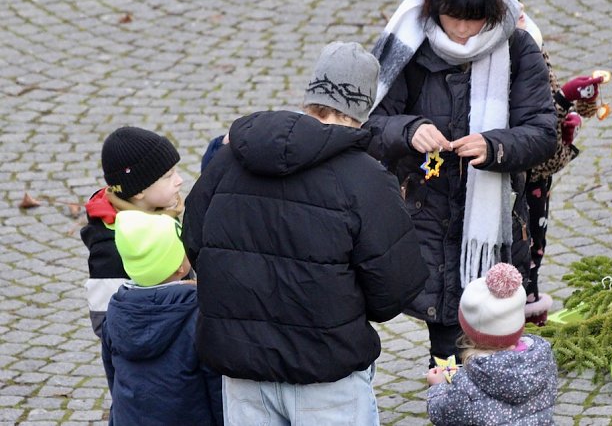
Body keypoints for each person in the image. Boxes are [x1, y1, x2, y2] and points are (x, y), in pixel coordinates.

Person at [182, 41, 428, 426]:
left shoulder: (230, 158)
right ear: (365, 107)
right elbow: (394, 287)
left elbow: (195, 243)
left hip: (243, 368)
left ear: (311, 96)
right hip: (327, 373)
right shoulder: (365, 177)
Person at [366, 0, 557, 365]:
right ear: (435, 8)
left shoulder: (518, 47)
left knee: (494, 341)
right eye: (453, 18)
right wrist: (409, 130)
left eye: (474, 20)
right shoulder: (409, 48)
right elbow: (368, 124)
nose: (463, 31)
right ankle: (449, 389)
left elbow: (543, 132)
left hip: (495, 226)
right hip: (427, 218)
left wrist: (494, 146)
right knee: (447, 344)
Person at [500, 0, 605, 326]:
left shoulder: (530, 43)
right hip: (517, 180)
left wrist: (566, 108)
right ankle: (511, 329)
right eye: (511, 3)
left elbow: (543, 116)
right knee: (518, 254)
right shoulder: (505, 58)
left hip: (535, 181)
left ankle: (527, 325)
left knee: (533, 249)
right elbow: (528, 132)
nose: (522, 9)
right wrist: (562, 101)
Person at [101, 210, 222, 426]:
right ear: (181, 266)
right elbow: (217, 386)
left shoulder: (115, 311)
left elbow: (113, 376)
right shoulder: (198, 315)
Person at [80, 126, 184, 338]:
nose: (179, 180)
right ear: (138, 191)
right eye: (168, 176)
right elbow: (105, 322)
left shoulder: (165, 213)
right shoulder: (110, 248)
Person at [425, 263, 557, 425]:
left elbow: (443, 414)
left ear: (469, 330)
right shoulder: (542, 359)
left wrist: (438, 387)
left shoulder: (466, 383)